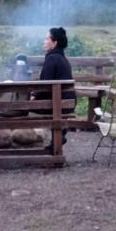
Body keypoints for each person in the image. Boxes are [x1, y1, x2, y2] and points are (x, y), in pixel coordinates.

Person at [35, 26, 76, 154]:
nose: (44, 41)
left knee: (22, 106)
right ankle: (58, 138)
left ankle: (58, 137)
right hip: (67, 103)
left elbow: (44, 87)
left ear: (55, 42)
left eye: (47, 38)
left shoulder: (52, 59)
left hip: (59, 104)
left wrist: (33, 96)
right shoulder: (61, 58)